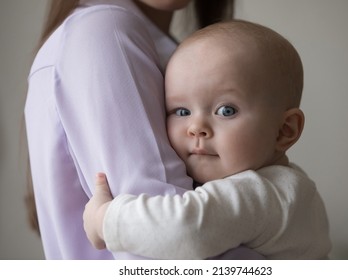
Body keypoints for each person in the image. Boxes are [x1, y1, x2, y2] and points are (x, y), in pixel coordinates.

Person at [25, 0, 263, 260]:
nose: (196, 129)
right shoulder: (106, 31)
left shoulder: (147, 43)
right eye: (182, 112)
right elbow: (172, 246)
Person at [83, 20, 332, 260]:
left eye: (226, 111)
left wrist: (104, 219)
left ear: (284, 131)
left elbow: (187, 229)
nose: (196, 128)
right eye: (182, 111)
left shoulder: (262, 193)